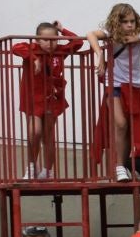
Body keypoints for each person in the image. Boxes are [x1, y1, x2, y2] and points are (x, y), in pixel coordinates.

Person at [89, 4, 140, 180]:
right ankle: (118, 166)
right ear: (117, 22)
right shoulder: (111, 32)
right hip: (114, 83)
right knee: (121, 123)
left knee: (133, 126)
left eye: (132, 21)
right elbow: (91, 34)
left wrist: (139, 37)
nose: (130, 25)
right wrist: (99, 54)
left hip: (134, 85)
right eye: (125, 22)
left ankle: (123, 166)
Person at [10, 22, 85, 180]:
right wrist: (34, 58)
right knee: (34, 131)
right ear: (37, 39)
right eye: (46, 40)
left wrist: (62, 29)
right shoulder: (31, 48)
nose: (51, 43)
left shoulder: (59, 51)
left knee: (48, 135)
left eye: (54, 39)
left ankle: (48, 170)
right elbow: (15, 47)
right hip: (32, 98)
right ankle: (31, 166)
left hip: (51, 98)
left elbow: (78, 42)